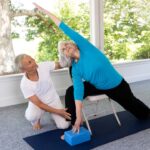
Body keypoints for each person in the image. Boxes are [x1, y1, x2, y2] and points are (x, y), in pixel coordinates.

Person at [33, 3, 150, 133]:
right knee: (71, 91)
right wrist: (78, 117)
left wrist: (45, 11)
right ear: (65, 56)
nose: (66, 47)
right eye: (63, 49)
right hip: (98, 86)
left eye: (66, 44)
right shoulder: (76, 69)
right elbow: (78, 92)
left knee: (141, 112)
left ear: (73, 44)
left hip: (117, 86)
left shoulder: (85, 47)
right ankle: (73, 125)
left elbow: (64, 27)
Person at [14, 54, 71, 130]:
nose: (34, 62)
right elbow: (39, 104)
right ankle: (37, 119)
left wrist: (67, 58)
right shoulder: (24, 84)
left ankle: (54, 115)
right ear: (23, 70)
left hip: (52, 99)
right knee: (31, 116)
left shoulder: (43, 66)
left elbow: (59, 65)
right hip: (38, 103)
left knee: (64, 125)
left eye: (32, 59)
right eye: (30, 62)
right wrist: (58, 111)